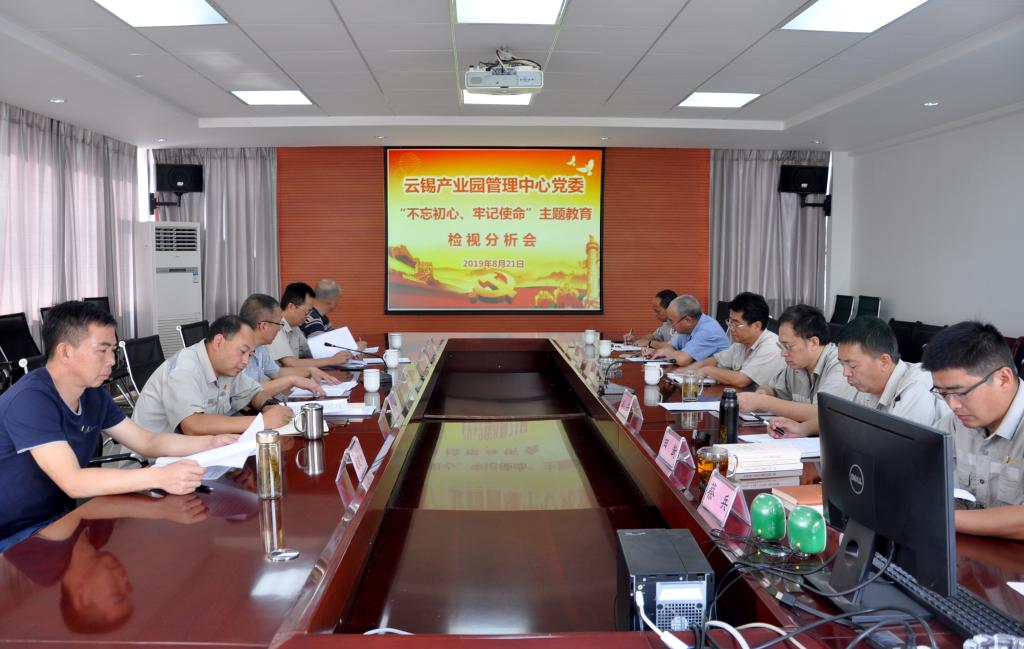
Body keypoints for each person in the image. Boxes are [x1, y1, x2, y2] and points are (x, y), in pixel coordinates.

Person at [0, 301, 236, 552]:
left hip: (57, 520)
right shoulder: (31, 399)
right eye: (102, 350)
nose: (112, 361)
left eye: (113, 350)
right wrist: (159, 476)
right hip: (11, 531)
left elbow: (146, 441)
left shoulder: (92, 394)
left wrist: (210, 442)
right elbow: (73, 481)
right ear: (65, 352)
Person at [2, 493, 208, 632]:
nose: (124, 579)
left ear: (81, 599)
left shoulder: (43, 569)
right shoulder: (100, 537)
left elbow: (75, 510)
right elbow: (103, 498)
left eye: (117, 594)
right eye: (128, 587)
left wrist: (160, 509)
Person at [922, 321, 1024, 540]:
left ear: (1003, 379)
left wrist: (943, 517)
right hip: (976, 549)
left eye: (960, 393)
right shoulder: (956, 423)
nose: (952, 405)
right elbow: (916, 465)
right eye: (943, 394)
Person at [770, 316, 948, 437]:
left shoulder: (916, 386)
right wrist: (801, 429)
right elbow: (844, 420)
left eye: (853, 365)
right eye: (842, 364)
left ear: (884, 361)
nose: (845, 373)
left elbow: (895, 450)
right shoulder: (866, 388)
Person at [131, 315, 294, 436]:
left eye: (250, 355)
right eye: (243, 351)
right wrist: (262, 422)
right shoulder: (184, 369)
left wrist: (269, 406)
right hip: (151, 463)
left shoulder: (227, 366)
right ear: (218, 342)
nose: (246, 361)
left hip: (198, 450)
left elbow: (254, 392)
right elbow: (193, 425)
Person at [736, 304, 856, 421]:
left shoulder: (840, 365)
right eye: (781, 346)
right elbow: (773, 388)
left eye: (788, 346)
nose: (783, 353)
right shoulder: (797, 364)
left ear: (813, 343)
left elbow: (822, 414)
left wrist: (762, 402)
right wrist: (763, 393)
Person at [238, 293, 340, 397]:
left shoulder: (261, 348)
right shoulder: (238, 352)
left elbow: (277, 373)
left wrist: (310, 370)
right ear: (264, 326)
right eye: (278, 324)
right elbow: (247, 391)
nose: (279, 329)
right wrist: (292, 380)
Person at [677, 292, 785, 389]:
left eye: (736, 324)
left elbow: (741, 380)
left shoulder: (771, 346)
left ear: (757, 326)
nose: (731, 328)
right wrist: (688, 371)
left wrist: (707, 370)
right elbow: (716, 360)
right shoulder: (741, 343)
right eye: (730, 322)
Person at [269, 283, 354, 369]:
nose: (308, 316)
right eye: (307, 311)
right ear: (291, 307)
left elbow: (311, 352)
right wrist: (331, 360)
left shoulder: (294, 327)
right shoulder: (275, 325)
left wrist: (342, 354)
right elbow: (290, 363)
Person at [649, 295, 730, 367]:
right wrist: (656, 353)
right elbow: (673, 348)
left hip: (719, 376)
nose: (671, 326)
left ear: (688, 320)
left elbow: (682, 360)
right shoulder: (688, 327)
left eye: (672, 321)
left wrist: (667, 352)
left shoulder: (707, 330)